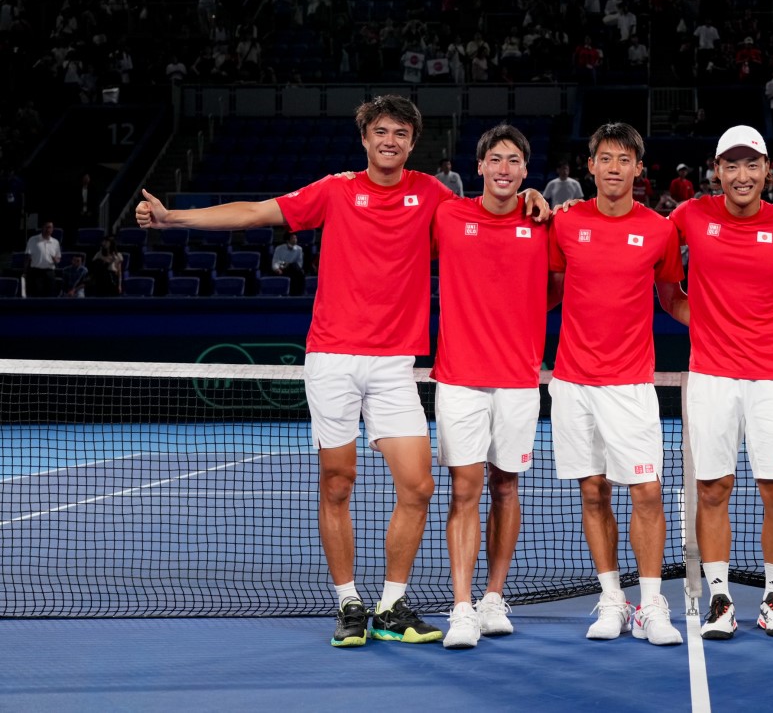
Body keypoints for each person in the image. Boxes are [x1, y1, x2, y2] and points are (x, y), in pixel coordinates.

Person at [136, 95, 547, 649]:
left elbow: (486, 211)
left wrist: (530, 198)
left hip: (394, 363)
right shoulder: (335, 190)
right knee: (338, 481)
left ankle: (391, 603)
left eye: (401, 133)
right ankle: (349, 601)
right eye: (381, 131)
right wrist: (172, 217)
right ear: (365, 138)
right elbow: (258, 212)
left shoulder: (432, 195)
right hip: (331, 358)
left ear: (411, 142)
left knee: (419, 485)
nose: (390, 141)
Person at [668, 125, 773, 640]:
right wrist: (704, 319)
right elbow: (667, 287)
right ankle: (721, 599)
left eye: (751, 165)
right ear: (716, 172)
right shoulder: (689, 216)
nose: (741, 175)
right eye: (730, 165)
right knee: (714, 489)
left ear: (766, 171)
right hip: (711, 378)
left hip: (772, 379)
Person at [548, 122, 687, 646]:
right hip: (573, 382)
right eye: (604, 158)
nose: (613, 168)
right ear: (591, 166)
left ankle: (652, 603)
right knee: (593, 491)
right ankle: (612, 598)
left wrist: (721, 319)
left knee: (647, 492)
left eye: (623, 160)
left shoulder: (659, 230)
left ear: (637, 169)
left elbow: (672, 297)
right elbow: (551, 291)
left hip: (630, 385)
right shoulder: (564, 224)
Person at [434, 124, 559, 649]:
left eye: (515, 161)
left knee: (506, 486)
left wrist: (520, 312)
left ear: (527, 173)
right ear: (479, 167)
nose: (505, 168)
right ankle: (461, 607)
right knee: (465, 489)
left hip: (517, 380)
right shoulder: (448, 214)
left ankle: (492, 597)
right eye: (496, 159)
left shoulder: (545, 225)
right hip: (460, 379)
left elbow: (555, 287)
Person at [24, 220, 61, 298]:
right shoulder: (33, 240)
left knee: (50, 294)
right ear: (42, 228)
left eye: (50, 227)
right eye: (46, 227)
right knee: (37, 294)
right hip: (36, 272)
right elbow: (28, 256)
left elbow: (58, 259)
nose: (48, 229)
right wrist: (26, 270)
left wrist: (55, 260)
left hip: (49, 272)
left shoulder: (55, 242)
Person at [271, 231, 306, 296]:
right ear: (288, 240)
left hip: (294, 269)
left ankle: (298, 294)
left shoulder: (299, 249)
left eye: (296, 238)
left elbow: (300, 263)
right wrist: (277, 269)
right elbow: (275, 261)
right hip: (283, 268)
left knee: (298, 272)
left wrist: (290, 265)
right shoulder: (279, 248)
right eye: (293, 238)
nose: (295, 240)